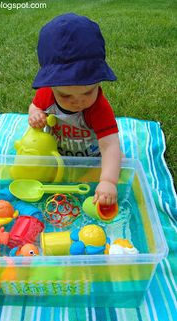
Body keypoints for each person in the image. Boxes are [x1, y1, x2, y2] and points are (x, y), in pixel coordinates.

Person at [28, 13, 121, 206]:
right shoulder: (46, 93)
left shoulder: (99, 109)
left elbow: (110, 146)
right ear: (51, 85)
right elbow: (35, 105)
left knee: (90, 195)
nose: (78, 102)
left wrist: (108, 181)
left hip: (93, 161)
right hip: (58, 157)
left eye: (88, 92)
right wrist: (35, 114)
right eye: (66, 96)